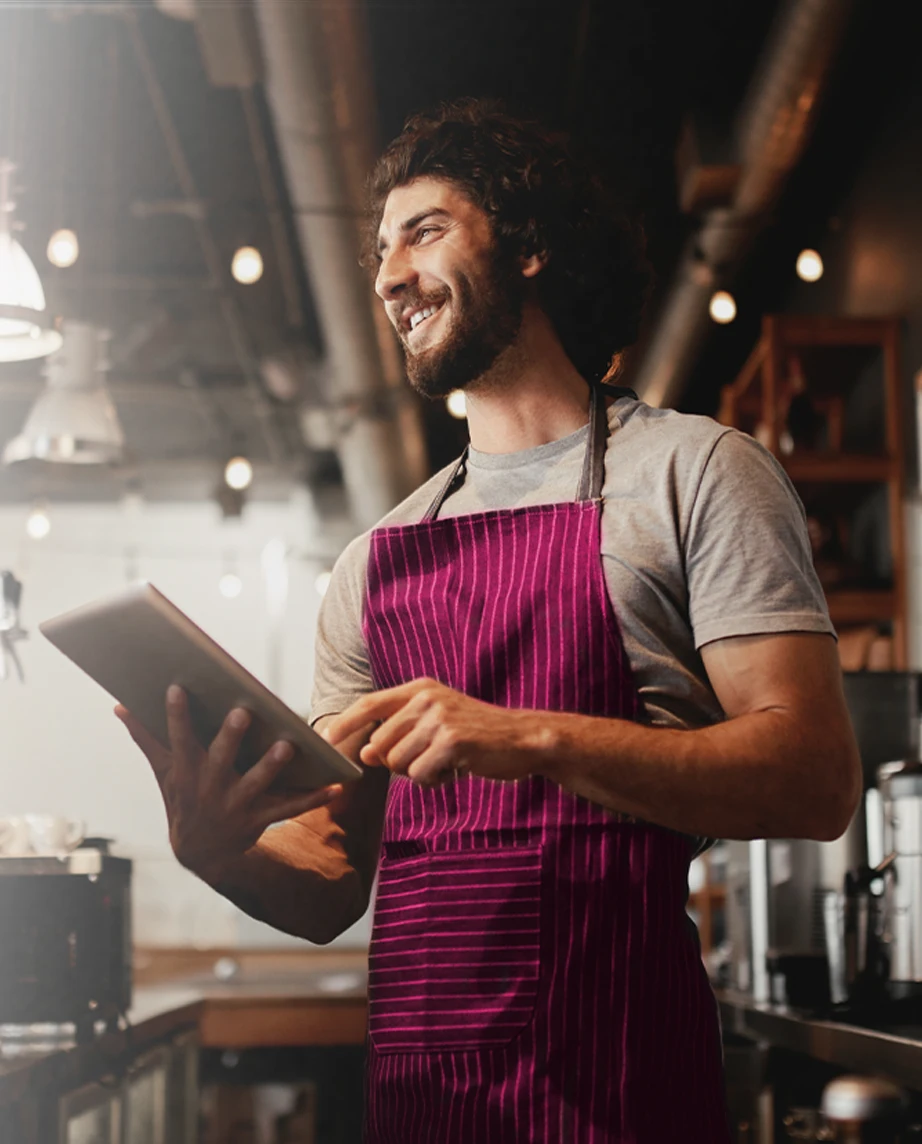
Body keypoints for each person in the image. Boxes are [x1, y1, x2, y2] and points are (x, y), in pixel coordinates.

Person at [118, 100, 862, 1143]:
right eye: (380, 249)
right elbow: (335, 878)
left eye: (424, 231)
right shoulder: (371, 564)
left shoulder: (694, 472)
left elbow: (814, 777)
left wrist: (527, 735)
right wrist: (218, 851)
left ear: (530, 247)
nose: (385, 277)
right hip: (428, 1103)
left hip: (623, 1085)